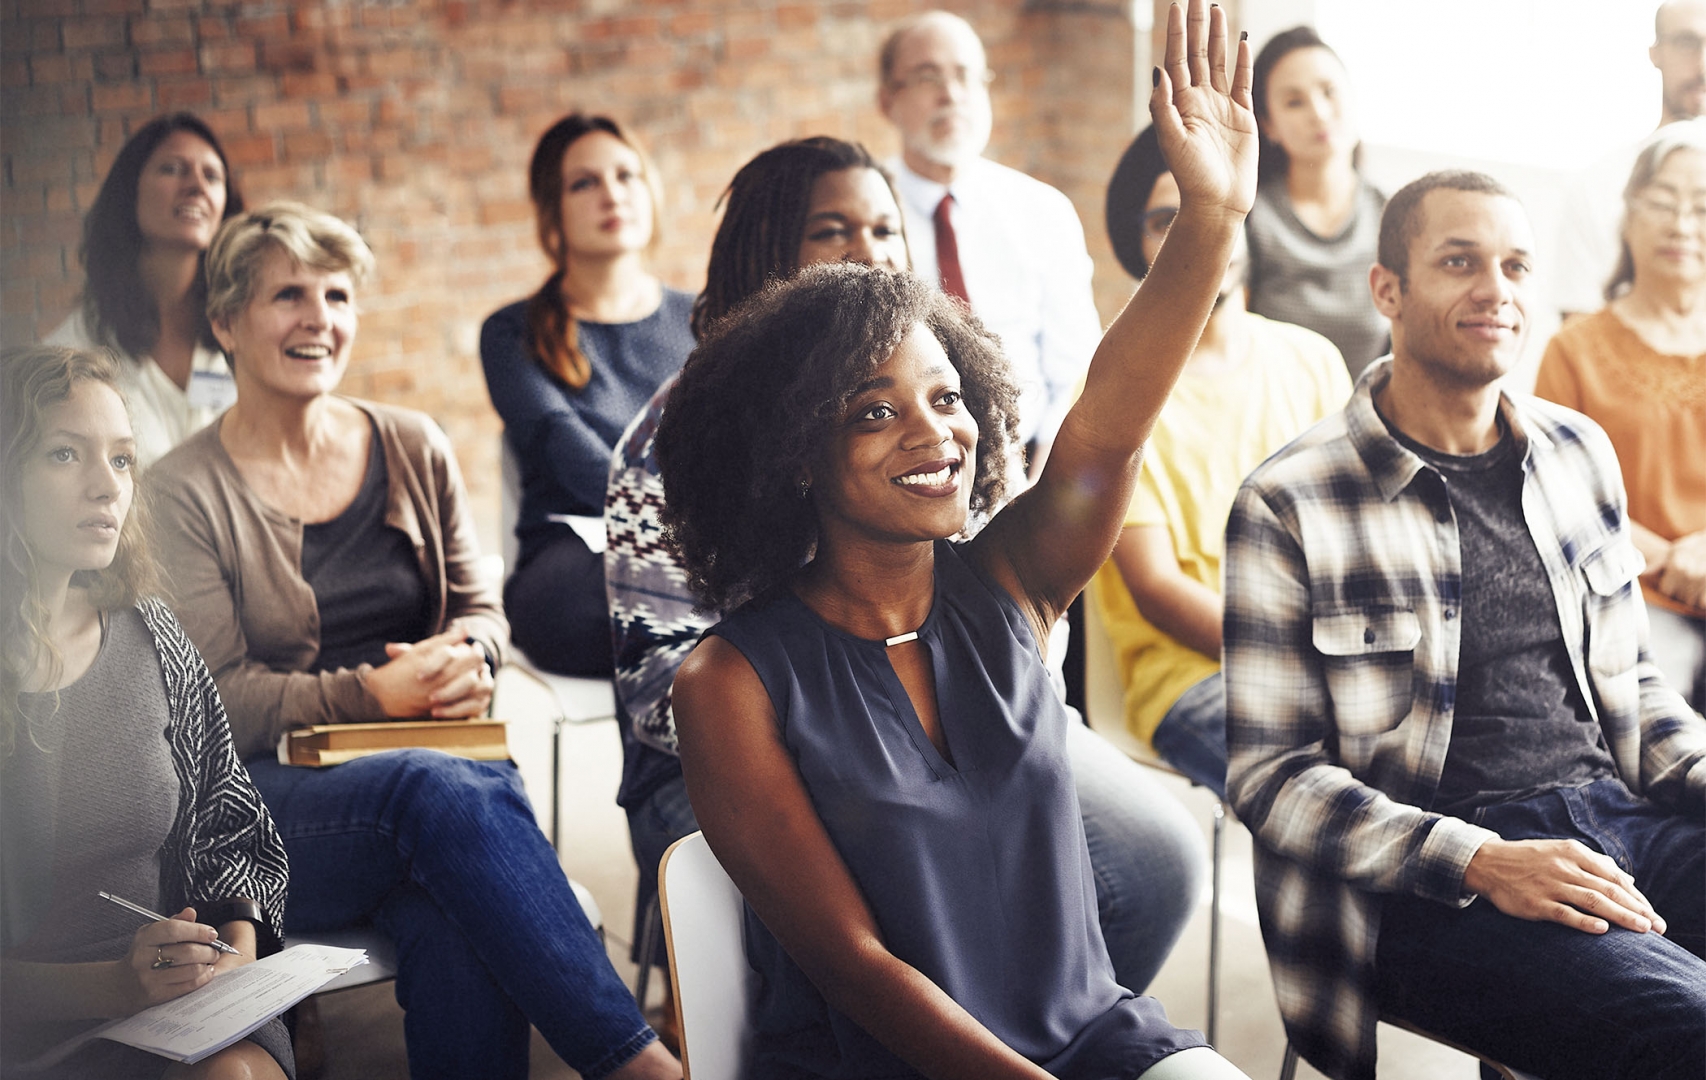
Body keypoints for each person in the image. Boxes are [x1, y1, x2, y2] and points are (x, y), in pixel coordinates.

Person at [656, 6, 1255, 1078]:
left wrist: (1208, 217)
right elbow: (853, 965)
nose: (934, 432)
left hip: (1091, 1036)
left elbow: (1106, 431)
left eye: (944, 396)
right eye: (873, 410)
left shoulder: (1012, 584)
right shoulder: (730, 683)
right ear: (797, 452)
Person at [607, 136, 1205, 1006]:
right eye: (833, 231)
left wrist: (1212, 218)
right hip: (769, 743)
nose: (868, 251)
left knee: (1148, 864)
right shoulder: (679, 452)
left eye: (886, 228)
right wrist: (878, 755)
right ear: (767, 256)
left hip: (948, 701)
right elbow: (671, 691)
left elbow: (1101, 440)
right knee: (914, 892)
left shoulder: (966, 513)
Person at [148, 203, 680, 1080]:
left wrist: (471, 656)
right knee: (435, 794)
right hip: (269, 811)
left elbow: (482, 607)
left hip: (440, 777)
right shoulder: (182, 492)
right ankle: (636, 1065)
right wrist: (371, 695)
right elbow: (214, 701)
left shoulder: (412, 442)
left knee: (447, 908)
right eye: (289, 295)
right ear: (225, 323)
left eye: (338, 295)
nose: (319, 318)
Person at [1223, 170, 1706, 1080]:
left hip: (1619, 815)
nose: (1497, 291)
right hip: (1426, 882)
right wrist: (1482, 860)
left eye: (1517, 266)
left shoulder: (1576, 453)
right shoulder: (1290, 500)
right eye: (1460, 262)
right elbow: (1271, 777)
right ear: (1388, 291)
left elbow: (1636, 688)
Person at [1, 345, 291, 1080]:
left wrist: (234, 962)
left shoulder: (150, 633)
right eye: (66, 454)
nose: (107, 487)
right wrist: (112, 986)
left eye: (123, 460)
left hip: (179, 1011)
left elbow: (234, 829)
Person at [1094, 124, 1351, 797]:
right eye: (1165, 218)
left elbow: (1356, 532)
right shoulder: (1115, 394)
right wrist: (1302, 660)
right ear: (1136, 244)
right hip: (1194, 680)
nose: (1197, 232)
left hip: (1328, 659)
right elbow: (1156, 589)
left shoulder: (1312, 360)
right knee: (1337, 798)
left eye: (1213, 208)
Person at [481, 113, 694, 678]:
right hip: (577, 558)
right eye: (585, 182)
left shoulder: (704, 318)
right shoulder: (511, 332)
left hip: (699, 543)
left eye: (626, 175)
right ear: (553, 209)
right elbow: (565, 449)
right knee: (653, 601)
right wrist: (680, 523)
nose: (612, 194)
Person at [876, 9, 1102, 473]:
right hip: (907, 464)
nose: (951, 95)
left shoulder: (1043, 210)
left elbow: (1078, 370)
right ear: (887, 100)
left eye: (966, 76)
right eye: (926, 76)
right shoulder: (866, 212)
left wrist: (1044, 477)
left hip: (1028, 463)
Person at [1539, 123, 1706, 710]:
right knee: (1656, 724)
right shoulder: (1576, 348)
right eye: (1663, 203)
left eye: (1701, 207)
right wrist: (1671, 560)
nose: (1682, 225)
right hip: (1629, 594)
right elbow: (1553, 493)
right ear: (1628, 218)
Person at [45, 113, 244, 468]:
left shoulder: (246, 331)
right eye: (172, 169)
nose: (196, 186)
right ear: (129, 192)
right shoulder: (72, 352)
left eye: (211, 176)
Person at [1245, 27, 1387, 380]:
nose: (1320, 113)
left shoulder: (1391, 217)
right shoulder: (1251, 219)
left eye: (1330, 91)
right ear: (1269, 125)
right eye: (1295, 102)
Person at [1555, 1, 1706, 318]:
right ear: (1656, 53)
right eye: (1686, 42)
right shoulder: (1598, 185)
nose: (1703, 63)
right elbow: (1578, 339)